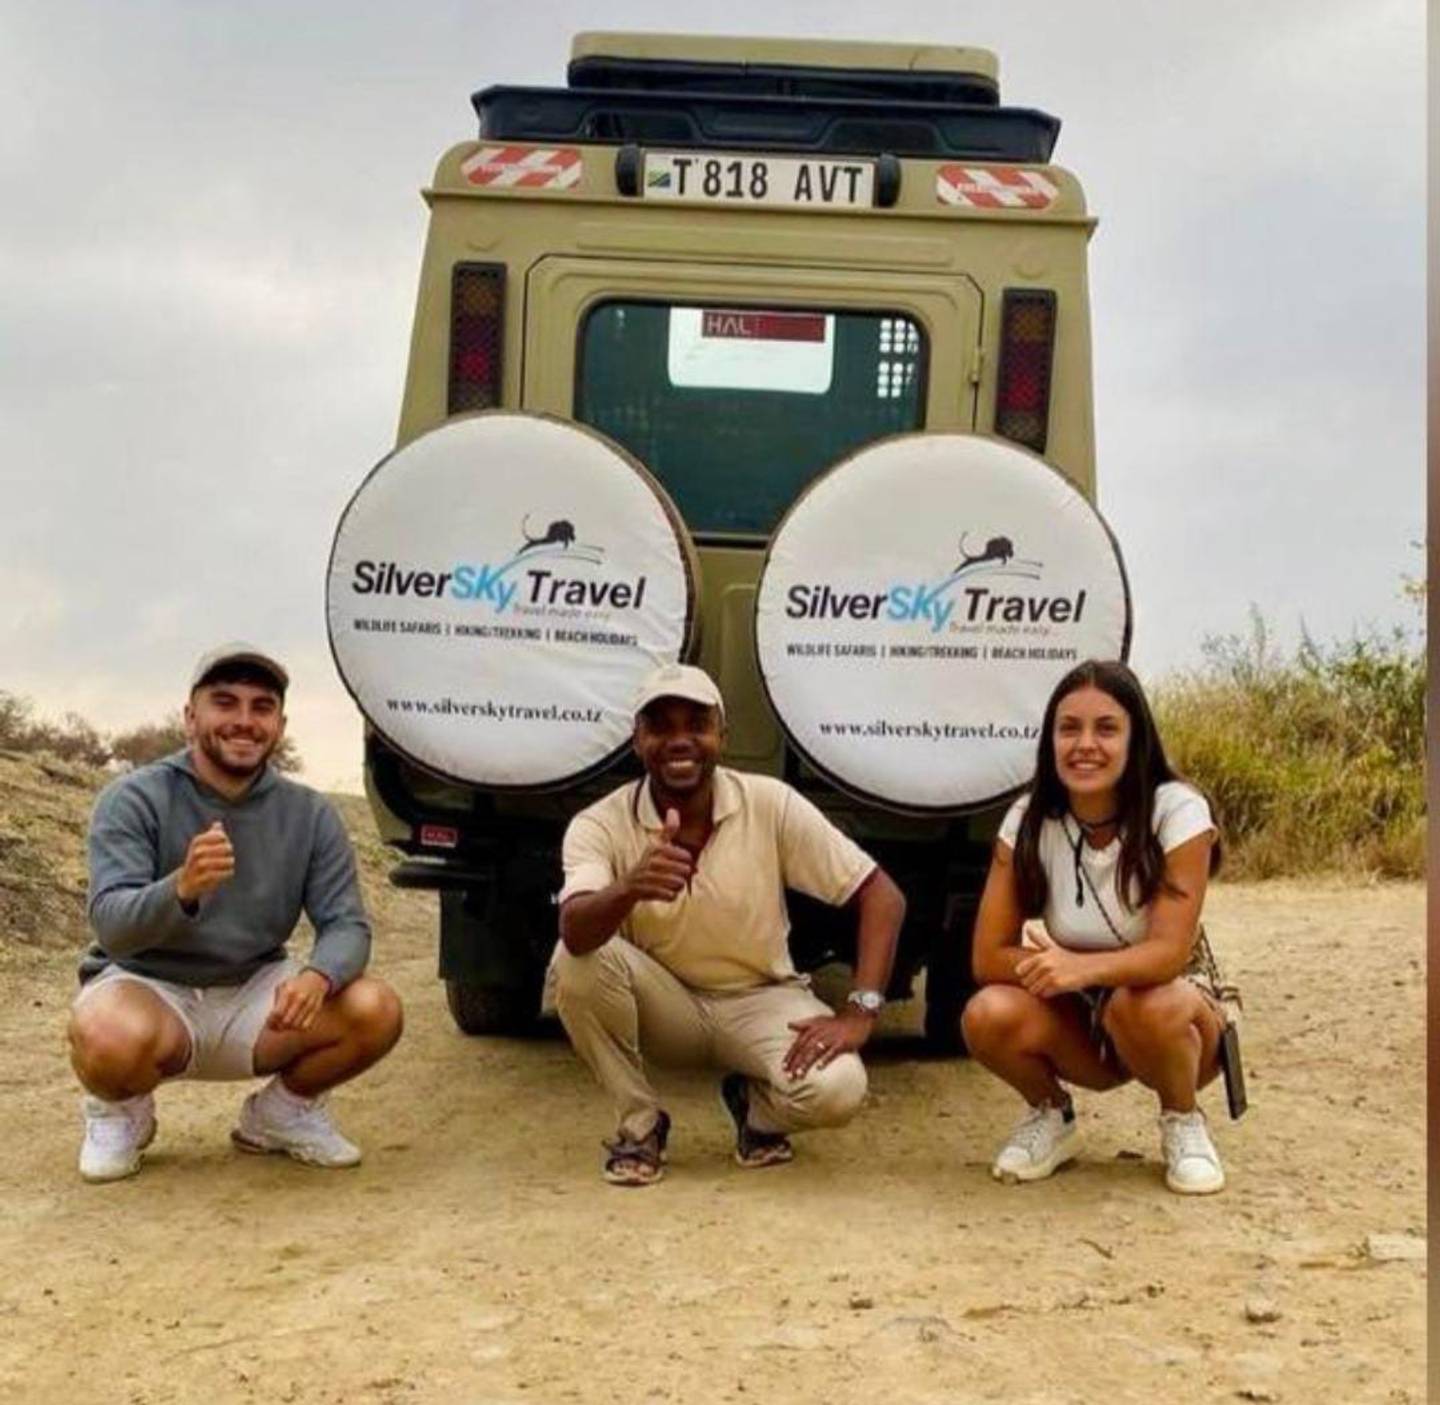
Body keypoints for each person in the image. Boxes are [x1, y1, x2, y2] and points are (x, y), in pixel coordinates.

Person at [552, 662, 906, 1186]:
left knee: (839, 1089)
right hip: (666, 1005)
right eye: (660, 726)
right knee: (573, 962)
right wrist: (630, 886)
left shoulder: (769, 803)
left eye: (697, 724)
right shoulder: (599, 824)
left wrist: (860, 1012)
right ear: (637, 741)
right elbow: (575, 931)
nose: (680, 741)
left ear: (723, 735)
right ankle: (640, 1124)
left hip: (762, 999)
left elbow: (882, 896)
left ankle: (755, 1112)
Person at [69, 643, 403, 1182]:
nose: (244, 721)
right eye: (225, 703)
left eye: (261, 707)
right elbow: (111, 926)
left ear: (280, 725)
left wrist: (319, 976)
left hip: (255, 992)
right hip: (149, 987)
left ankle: (281, 1115)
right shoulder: (132, 798)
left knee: (375, 1008)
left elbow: (346, 924)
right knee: (105, 1033)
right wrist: (181, 889)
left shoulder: (310, 813)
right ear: (190, 716)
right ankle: (121, 1114)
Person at [961, 658, 1229, 1195]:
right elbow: (988, 956)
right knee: (987, 1014)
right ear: (1050, 741)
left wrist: (1079, 969)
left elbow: (1168, 953)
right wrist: (1063, 975)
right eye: (1069, 729)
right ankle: (1051, 1114)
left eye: (1106, 728)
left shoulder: (1177, 810)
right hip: (1084, 1020)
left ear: (1136, 739)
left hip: (1173, 1022)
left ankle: (1182, 1118)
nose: (1085, 745)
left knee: (1144, 1003)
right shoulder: (1029, 819)